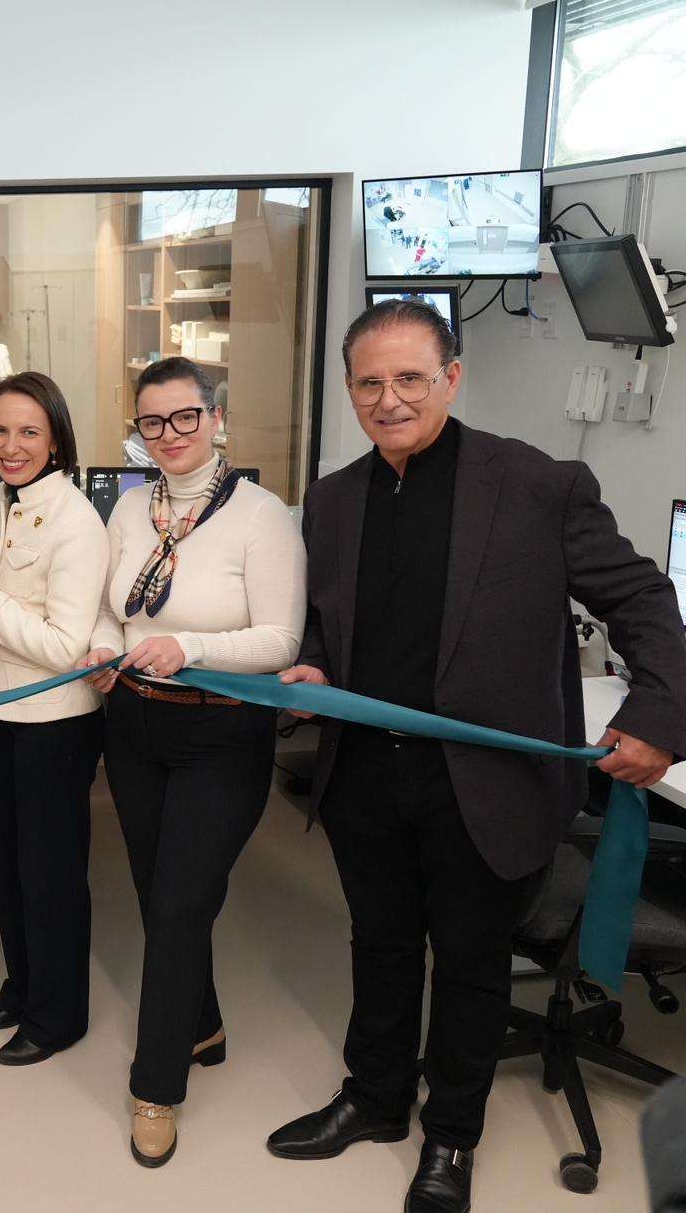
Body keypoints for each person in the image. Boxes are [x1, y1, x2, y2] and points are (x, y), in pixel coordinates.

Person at [265, 299, 686, 1213]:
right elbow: (332, 625)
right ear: (349, 390)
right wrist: (315, 667)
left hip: (483, 787)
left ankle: (452, 1137)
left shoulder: (537, 485)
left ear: (451, 379)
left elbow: (644, 600)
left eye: (409, 379)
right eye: (369, 383)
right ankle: (376, 1098)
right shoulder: (333, 501)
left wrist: (656, 715)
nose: (389, 399)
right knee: (380, 946)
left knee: (470, 964)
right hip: (364, 776)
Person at [77, 357, 306, 1166]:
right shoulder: (129, 508)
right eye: (153, 422)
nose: (169, 434)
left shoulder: (261, 516)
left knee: (178, 904)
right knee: (158, 893)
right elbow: (110, 609)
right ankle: (201, 1022)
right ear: (138, 432)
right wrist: (104, 648)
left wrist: (191, 648)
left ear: (215, 419)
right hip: (136, 727)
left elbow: (280, 639)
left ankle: (156, 1086)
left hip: (222, 732)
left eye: (185, 417)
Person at [0, 371, 108, 1066]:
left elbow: (66, 647)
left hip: (54, 720)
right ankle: (24, 986)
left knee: (50, 874)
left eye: (29, 432)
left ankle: (58, 1015)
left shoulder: (77, 521)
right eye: (1, 430)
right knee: (8, 863)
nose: (11, 446)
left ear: (56, 440)